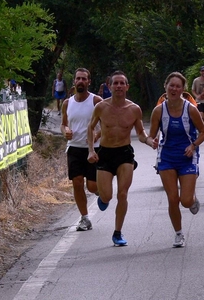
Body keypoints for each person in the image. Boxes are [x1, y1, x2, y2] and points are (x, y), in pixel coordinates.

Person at [87, 70, 150, 246]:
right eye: (115, 83)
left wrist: (149, 141)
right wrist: (91, 150)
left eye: (122, 83)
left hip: (124, 154)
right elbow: (90, 128)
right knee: (107, 196)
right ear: (109, 86)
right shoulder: (101, 107)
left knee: (122, 194)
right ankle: (103, 198)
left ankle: (117, 233)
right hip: (105, 154)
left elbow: (140, 132)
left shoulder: (134, 109)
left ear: (127, 87)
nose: (119, 86)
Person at [145, 72, 204, 248]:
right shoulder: (159, 111)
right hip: (167, 157)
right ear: (165, 87)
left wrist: (193, 146)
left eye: (178, 86)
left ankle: (192, 199)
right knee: (173, 199)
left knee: (185, 201)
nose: (174, 89)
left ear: (182, 89)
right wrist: (152, 142)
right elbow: (150, 136)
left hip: (187, 156)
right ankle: (178, 234)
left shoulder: (191, 109)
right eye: (171, 85)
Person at [60, 68, 102, 232]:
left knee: (91, 186)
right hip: (74, 148)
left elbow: (107, 123)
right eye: (78, 79)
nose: (81, 81)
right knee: (77, 183)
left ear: (89, 82)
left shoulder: (96, 101)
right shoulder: (67, 103)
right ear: (74, 81)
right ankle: (84, 218)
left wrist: (97, 135)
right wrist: (66, 132)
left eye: (84, 79)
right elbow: (63, 124)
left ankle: (100, 191)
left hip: (94, 149)